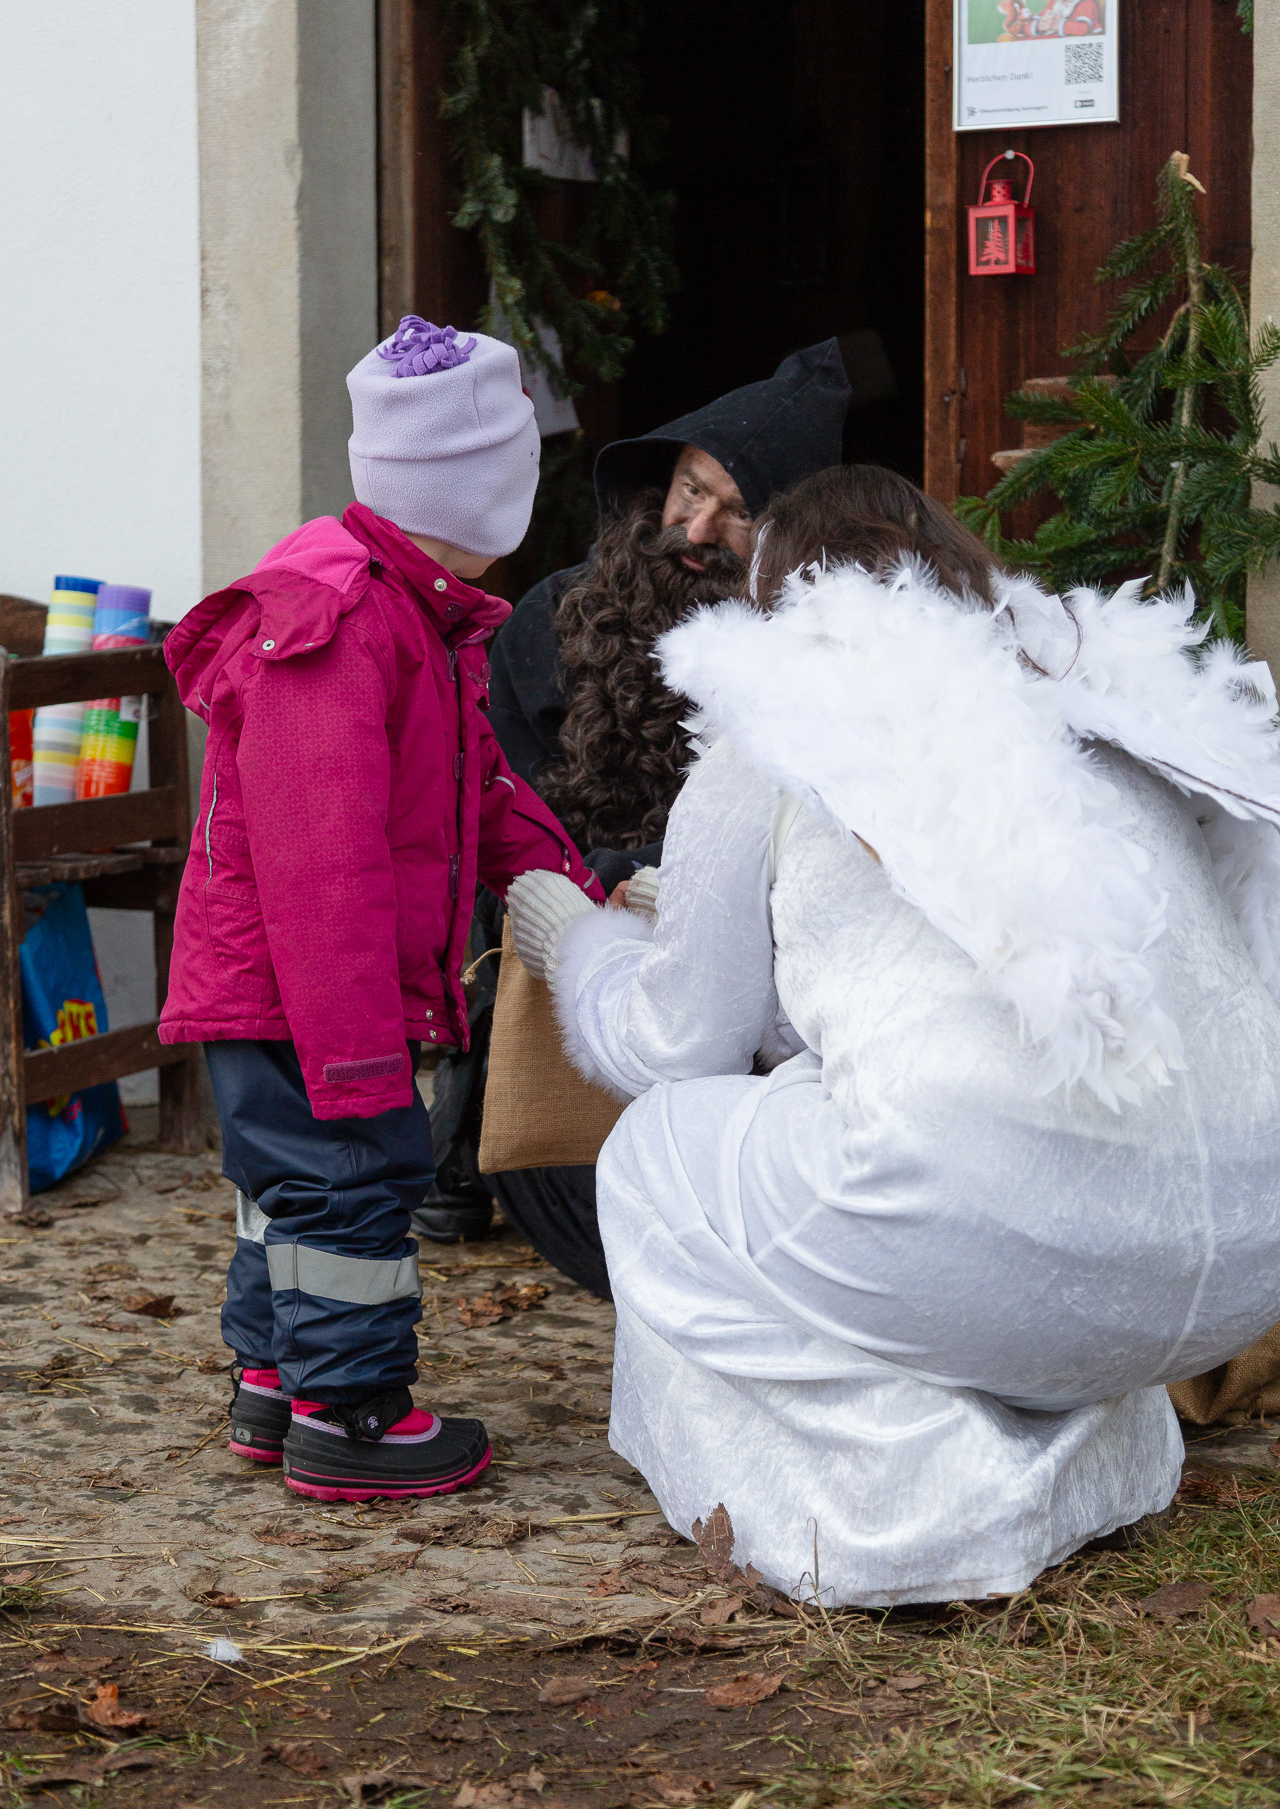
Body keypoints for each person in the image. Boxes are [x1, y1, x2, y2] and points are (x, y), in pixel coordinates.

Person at [505, 463, 1280, 1606]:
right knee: (859, 1110)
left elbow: (674, 1045)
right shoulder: (1093, 699)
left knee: (659, 1151)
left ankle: (909, 1508)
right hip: (1243, 1253)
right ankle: (1088, 1471)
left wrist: (579, 942)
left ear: (775, 600)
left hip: (1007, 1231)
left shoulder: (777, 713)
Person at [159, 317, 600, 1503]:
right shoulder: (345, 624)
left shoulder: (412, 613)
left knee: (292, 1191)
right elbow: (324, 864)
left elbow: (474, 791)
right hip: (304, 992)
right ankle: (351, 1416)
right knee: (349, 1179)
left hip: (304, 990)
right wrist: (356, 1050)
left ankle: (276, 1383)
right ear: (478, 488)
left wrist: (576, 890)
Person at [419, 335, 889, 1276]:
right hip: (565, 915)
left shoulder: (816, 655)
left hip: (739, 959)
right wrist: (606, 885)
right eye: (690, 490)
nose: (698, 527)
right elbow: (502, 806)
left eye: (739, 511)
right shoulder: (553, 622)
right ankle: (474, 1141)